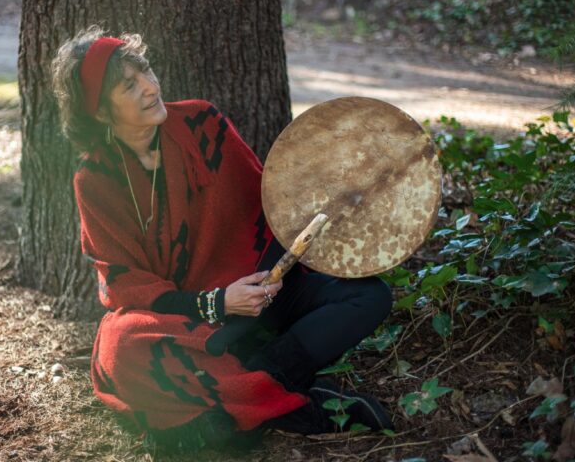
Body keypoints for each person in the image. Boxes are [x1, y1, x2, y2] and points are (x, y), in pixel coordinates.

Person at [51, 26, 394, 452]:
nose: (149, 87)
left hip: (265, 290)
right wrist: (215, 302)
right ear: (101, 113)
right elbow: (124, 284)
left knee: (369, 296)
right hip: (192, 320)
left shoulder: (201, 121)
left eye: (146, 72)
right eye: (128, 85)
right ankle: (286, 401)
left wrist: (274, 274)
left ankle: (244, 390)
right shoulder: (95, 181)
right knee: (120, 346)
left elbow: (261, 206)